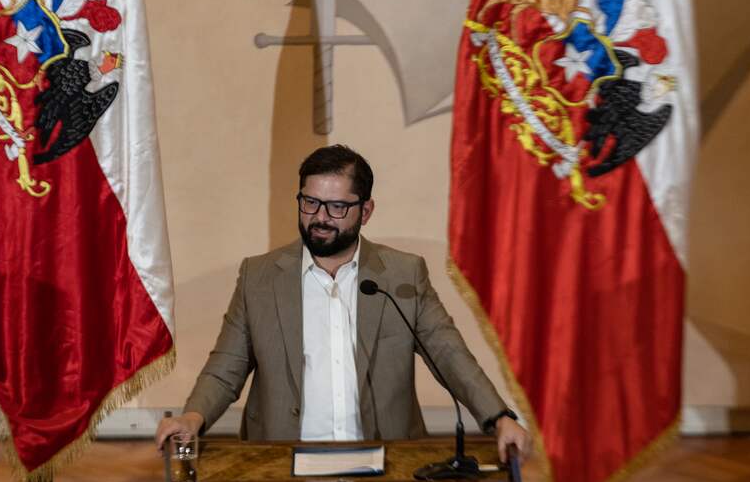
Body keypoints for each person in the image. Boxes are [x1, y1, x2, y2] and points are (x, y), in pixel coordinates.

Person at [155, 145, 530, 462]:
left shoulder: (401, 275)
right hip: (281, 460)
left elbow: (450, 355)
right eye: (310, 202)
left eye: (336, 207)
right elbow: (227, 366)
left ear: (365, 211)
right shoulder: (260, 277)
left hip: (385, 460)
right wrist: (193, 416)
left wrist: (498, 418)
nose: (320, 218)